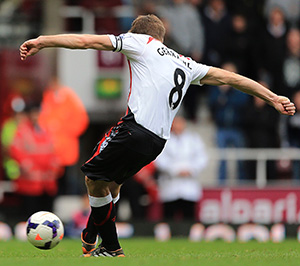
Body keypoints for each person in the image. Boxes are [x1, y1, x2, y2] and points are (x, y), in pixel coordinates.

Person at [19, 14, 295, 258]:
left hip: (134, 129)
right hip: (157, 143)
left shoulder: (140, 43)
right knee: (112, 185)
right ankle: (94, 237)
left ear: (139, 34)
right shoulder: (185, 63)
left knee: (93, 179)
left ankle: (108, 244)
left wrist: (43, 40)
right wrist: (271, 96)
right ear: (163, 36)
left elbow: (87, 42)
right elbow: (230, 78)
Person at [155, 115, 208, 221]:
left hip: (189, 184)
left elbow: (202, 157)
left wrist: (191, 170)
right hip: (170, 183)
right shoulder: (165, 139)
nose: (178, 126)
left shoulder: (193, 139)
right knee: (168, 216)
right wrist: (176, 170)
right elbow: (159, 158)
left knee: (188, 216)